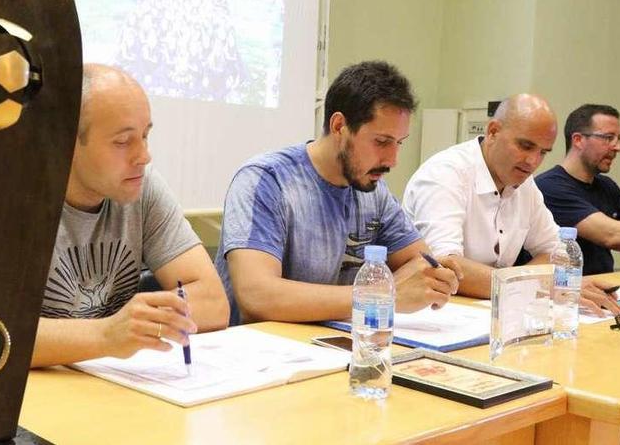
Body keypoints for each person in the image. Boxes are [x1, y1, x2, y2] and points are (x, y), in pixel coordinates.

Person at [215, 61, 461, 326]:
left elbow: (418, 263)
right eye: (381, 142)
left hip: (337, 346)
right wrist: (380, 296)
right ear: (339, 126)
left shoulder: (372, 189)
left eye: (399, 143)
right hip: (266, 355)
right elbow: (257, 297)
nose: (393, 160)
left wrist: (434, 276)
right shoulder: (266, 180)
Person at [31, 64, 229, 367]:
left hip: (104, 386)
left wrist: (137, 328)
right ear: (66, 141)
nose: (144, 156)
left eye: (145, 135)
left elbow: (214, 303)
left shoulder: (141, 186)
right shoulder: (9, 200)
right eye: (123, 142)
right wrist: (106, 336)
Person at [403, 94, 620, 315]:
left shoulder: (524, 183)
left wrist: (524, 286)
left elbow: (557, 255)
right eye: (525, 146)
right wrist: (538, 285)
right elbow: (447, 267)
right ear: (493, 131)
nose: (533, 162)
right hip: (439, 317)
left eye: (543, 152)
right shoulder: (445, 174)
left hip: (497, 312)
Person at [536, 104, 620, 275]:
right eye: (608, 138)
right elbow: (611, 235)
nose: (617, 147)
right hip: (569, 291)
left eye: (618, 139)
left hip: (607, 289)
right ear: (578, 140)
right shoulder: (549, 187)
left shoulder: (607, 186)